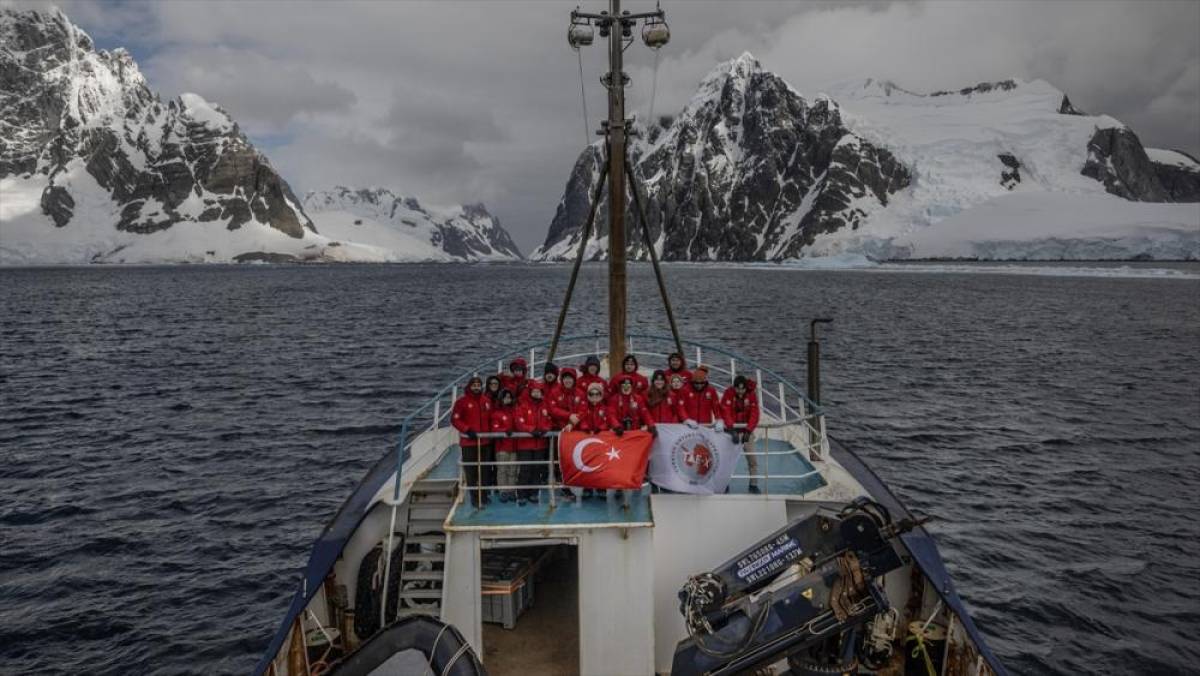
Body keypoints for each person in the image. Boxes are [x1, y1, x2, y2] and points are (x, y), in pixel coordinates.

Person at [451, 376, 492, 507]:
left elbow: (491, 418)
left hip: (485, 442)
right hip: (469, 443)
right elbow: (455, 419)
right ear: (469, 386)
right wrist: (467, 430)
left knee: (485, 471)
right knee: (471, 471)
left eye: (478, 385)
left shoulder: (486, 401)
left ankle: (484, 496)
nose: (476, 387)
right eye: (474, 385)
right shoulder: (461, 402)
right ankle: (475, 498)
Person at [565, 382, 610, 499]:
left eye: (597, 394)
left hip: (600, 441)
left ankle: (601, 488)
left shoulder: (605, 408)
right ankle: (587, 488)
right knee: (587, 465)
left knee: (601, 466)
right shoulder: (584, 407)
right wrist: (575, 425)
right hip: (587, 440)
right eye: (591, 394)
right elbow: (580, 418)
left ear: (601, 395)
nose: (594, 396)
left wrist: (601, 428)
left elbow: (609, 421)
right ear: (588, 395)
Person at [515, 382, 555, 505]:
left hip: (540, 444)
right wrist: (532, 430)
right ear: (530, 392)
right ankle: (522, 494)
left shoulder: (544, 407)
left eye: (538, 392)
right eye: (534, 391)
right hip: (525, 444)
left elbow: (549, 421)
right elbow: (519, 422)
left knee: (537, 469)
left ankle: (533, 493)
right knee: (525, 469)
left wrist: (544, 430)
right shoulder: (522, 406)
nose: (536, 394)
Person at [721, 375, 761, 493]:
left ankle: (753, 485)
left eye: (742, 389)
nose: (740, 391)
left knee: (752, 460)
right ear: (734, 388)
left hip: (746, 433)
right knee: (727, 460)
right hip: (731, 433)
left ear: (745, 388)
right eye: (737, 389)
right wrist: (731, 429)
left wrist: (748, 430)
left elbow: (755, 414)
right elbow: (725, 410)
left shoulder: (752, 396)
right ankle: (724, 483)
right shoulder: (728, 394)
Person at [490, 388, 519, 503]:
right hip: (502, 447)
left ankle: (511, 491)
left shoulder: (515, 412)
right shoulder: (496, 414)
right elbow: (494, 428)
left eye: (509, 397)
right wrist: (505, 430)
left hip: (514, 446)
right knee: (502, 470)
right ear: (501, 399)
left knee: (513, 469)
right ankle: (503, 491)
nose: (508, 399)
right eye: (505, 397)